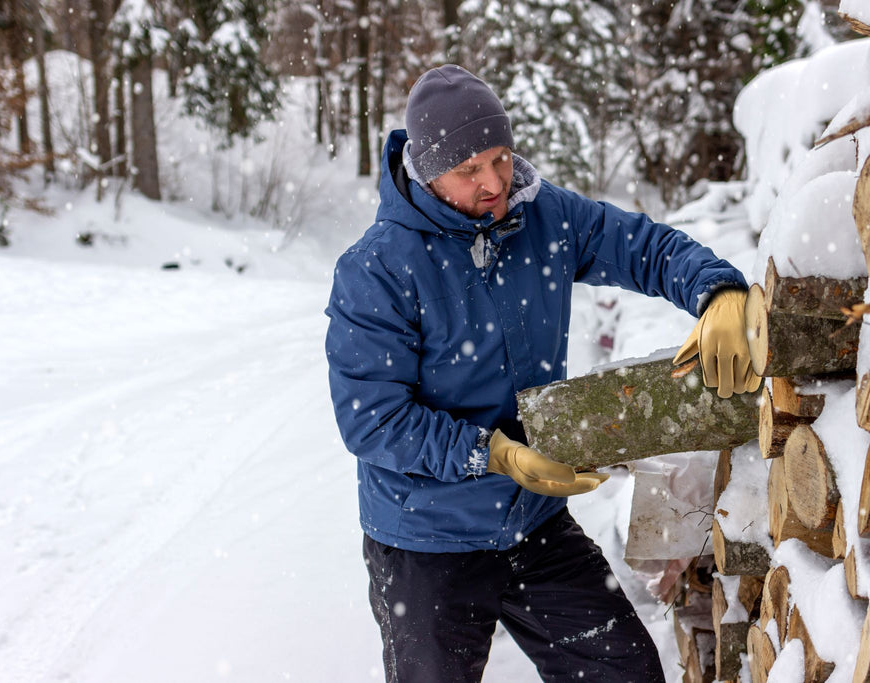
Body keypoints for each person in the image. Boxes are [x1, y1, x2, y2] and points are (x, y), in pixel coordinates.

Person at [325, 64, 760, 682]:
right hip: (426, 541)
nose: (494, 181)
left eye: (500, 157)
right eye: (468, 170)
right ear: (426, 173)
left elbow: (643, 246)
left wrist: (716, 290)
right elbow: (373, 421)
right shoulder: (377, 270)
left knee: (627, 672)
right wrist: (492, 453)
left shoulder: (541, 216)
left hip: (533, 523)